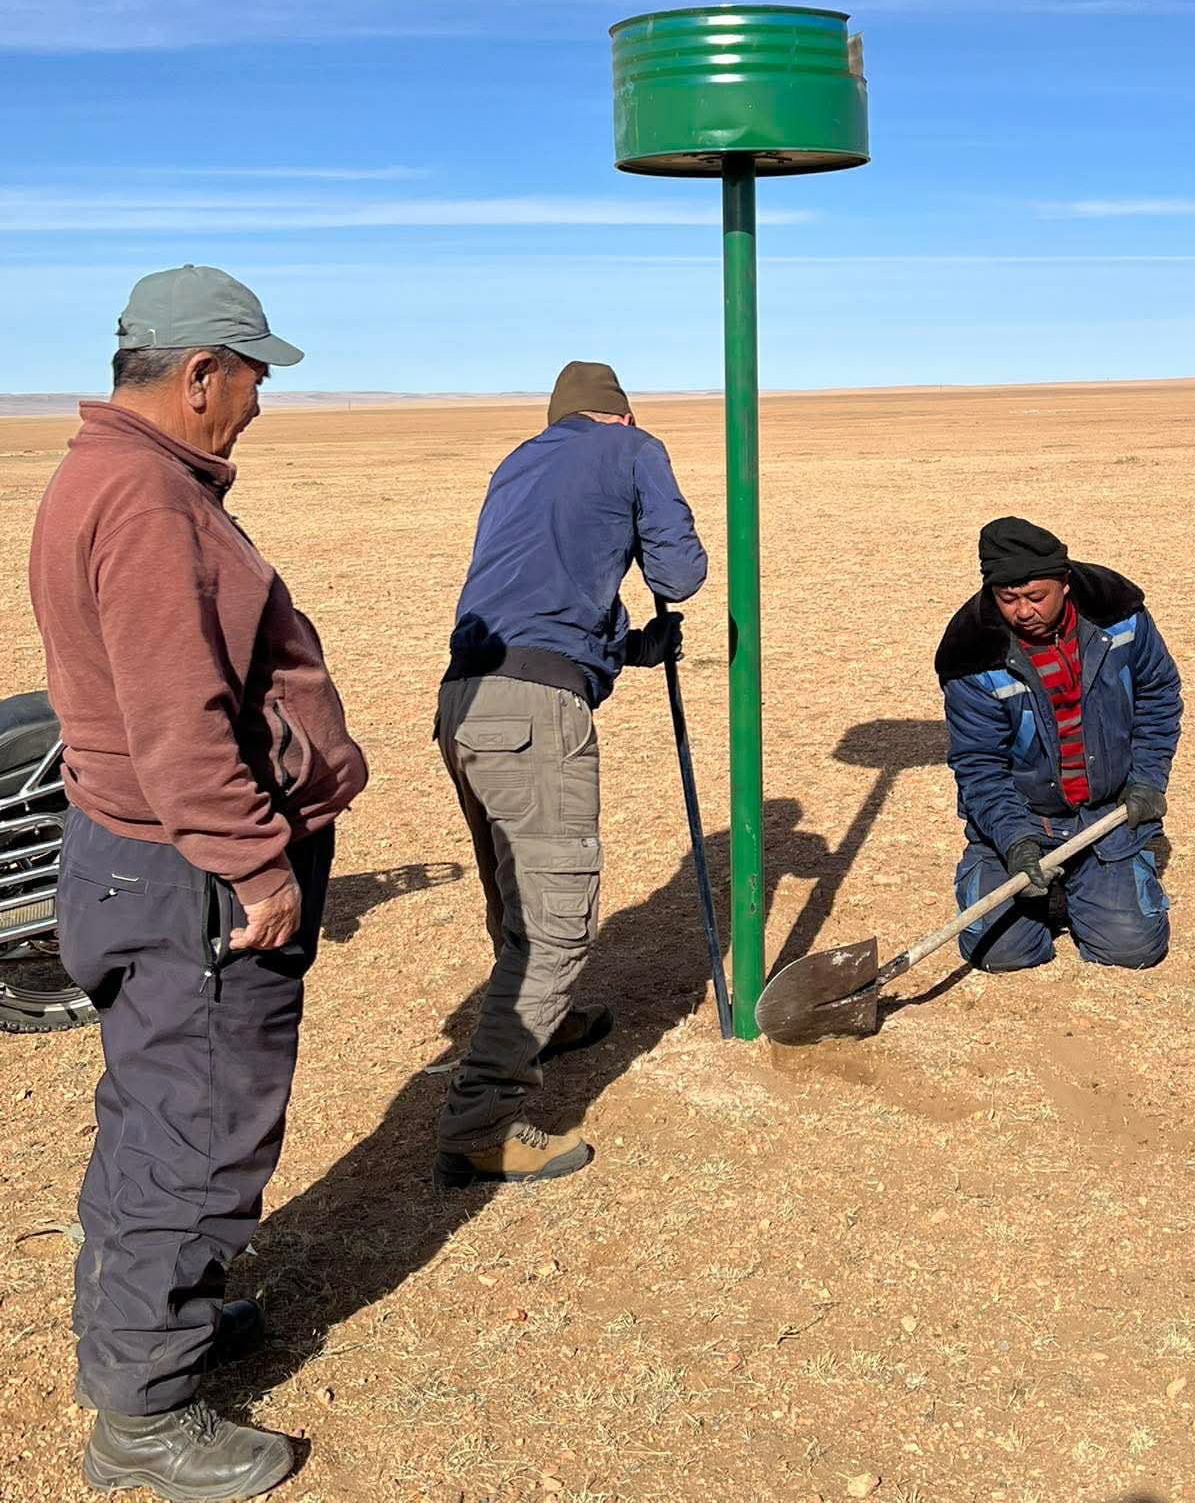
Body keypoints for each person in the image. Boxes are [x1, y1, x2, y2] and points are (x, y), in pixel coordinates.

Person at [30, 265, 367, 1503]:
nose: (259, 406)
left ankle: (149, 1327)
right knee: (199, 1128)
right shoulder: (146, 499)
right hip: (185, 875)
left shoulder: (104, 475)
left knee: (155, 1111)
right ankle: (146, 1416)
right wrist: (255, 860)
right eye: (254, 378)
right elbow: (180, 715)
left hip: (139, 862)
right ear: (199, 374)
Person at [432, 360, 707, 1190]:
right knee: (556, 921)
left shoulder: (516, 462)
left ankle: (541, 1026)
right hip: (532, 711)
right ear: (620, 417)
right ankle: (480, 1123)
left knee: (516, 891)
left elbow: (535, 593)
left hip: (465, 699)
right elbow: (680, 574)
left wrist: (624, 648)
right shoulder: (633, 449)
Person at [934, 515, 1182, 973]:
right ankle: (1003, 870)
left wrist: (1147, 780)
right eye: (1008, 599)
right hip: (1023, 819)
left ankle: (1105, 876)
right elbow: (978, 764)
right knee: (1001, 953)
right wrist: (1015, 842)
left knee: (1132, 950)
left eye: (1034, 597)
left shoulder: (1121, 617)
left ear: (1064, 583)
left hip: (1103, 818)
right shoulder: (971, 653)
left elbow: (1158, 696)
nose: (1022, 611)